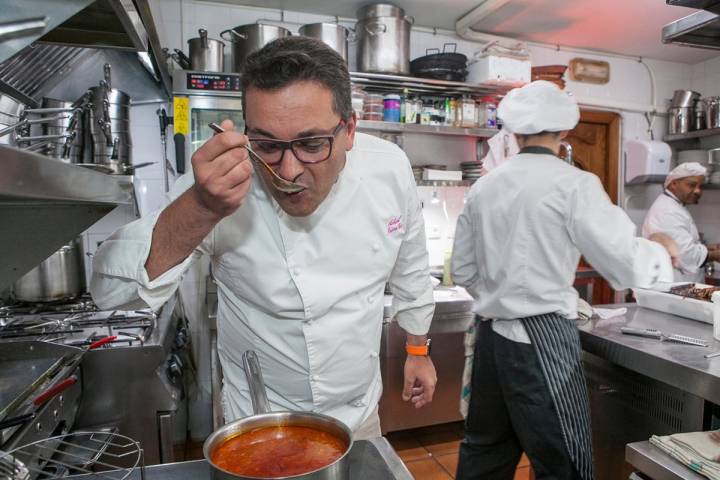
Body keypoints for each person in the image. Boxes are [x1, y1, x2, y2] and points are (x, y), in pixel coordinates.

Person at [89, 37, 437, 439]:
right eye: (268, 146)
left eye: (311, 144)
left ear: (350, 129)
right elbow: (113, 296)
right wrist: (201, 207)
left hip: (357, 419)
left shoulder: (389, 168)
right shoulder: (220, 183)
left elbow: (411, 265)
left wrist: (417, 350)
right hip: (257, 422)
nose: (287, 171)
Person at [451, 80, 678, 480]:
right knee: (563, 462)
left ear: (514, 133)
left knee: (484, 452)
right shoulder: (574, 183)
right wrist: (661, 252)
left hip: (490, 340)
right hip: (542, 341)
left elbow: (465, 270)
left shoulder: (483, 188)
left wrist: (502, 297)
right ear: (565, 131)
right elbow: (624, 265)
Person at [642, 162, 720, 282]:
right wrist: (715, 255)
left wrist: (708, 248)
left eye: (700, 186)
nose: (698, 191)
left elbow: (681, 244)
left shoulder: (674, 206)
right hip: (674, 289)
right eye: (691, 185)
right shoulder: (667, 211)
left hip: (681, 289)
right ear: (673, 184)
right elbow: (685, 255)